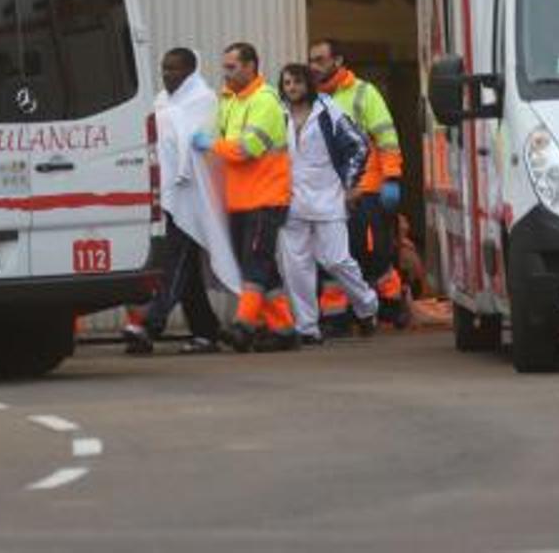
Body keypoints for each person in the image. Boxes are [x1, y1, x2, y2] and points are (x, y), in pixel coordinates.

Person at [123, 48, 241, 355]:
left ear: (191, 71)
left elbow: (193, 143)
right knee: (184, 270)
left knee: (175, 264)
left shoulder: (204, 99)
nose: (167, 74)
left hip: (193, 197)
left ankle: (151, 324)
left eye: (174, 68)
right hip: (169, 195)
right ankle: (206, 331)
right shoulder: (162, 101)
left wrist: (166, 122)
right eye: (164, 68)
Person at [192, 42, 297, 352]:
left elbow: (246, 149)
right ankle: (283, 329)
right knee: (260, 266)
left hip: (266, 198)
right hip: (241, 200)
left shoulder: (264, 101)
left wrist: (210, 145)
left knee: (255, 263)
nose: (226, 72)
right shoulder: (231, 100)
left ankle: (243, 324)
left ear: (251, 66)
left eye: (231, 67)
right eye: (225, 66)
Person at [308, 38, 411, 329]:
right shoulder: (312, 99)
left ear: (337, 61)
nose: (313, 66)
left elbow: (386, 137)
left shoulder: (363, 93)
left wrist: (391, 178)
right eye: (311, 61)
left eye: (319, 60)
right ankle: (336, 316)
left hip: (367, 188)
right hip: (329, 193)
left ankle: (391, 305)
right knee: (333, 256)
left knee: (373, 253)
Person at [276, 63, 380, 346]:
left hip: (328, 197)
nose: (291, 88)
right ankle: (307, 327)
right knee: (296, 266)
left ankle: (367, 306)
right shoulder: (278, 112)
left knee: (336, 260)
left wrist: (349, 184)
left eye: (296, 82)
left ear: (308, 84)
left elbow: (359, 144)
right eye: (286, 83)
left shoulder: (328, 110)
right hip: (291, 200)